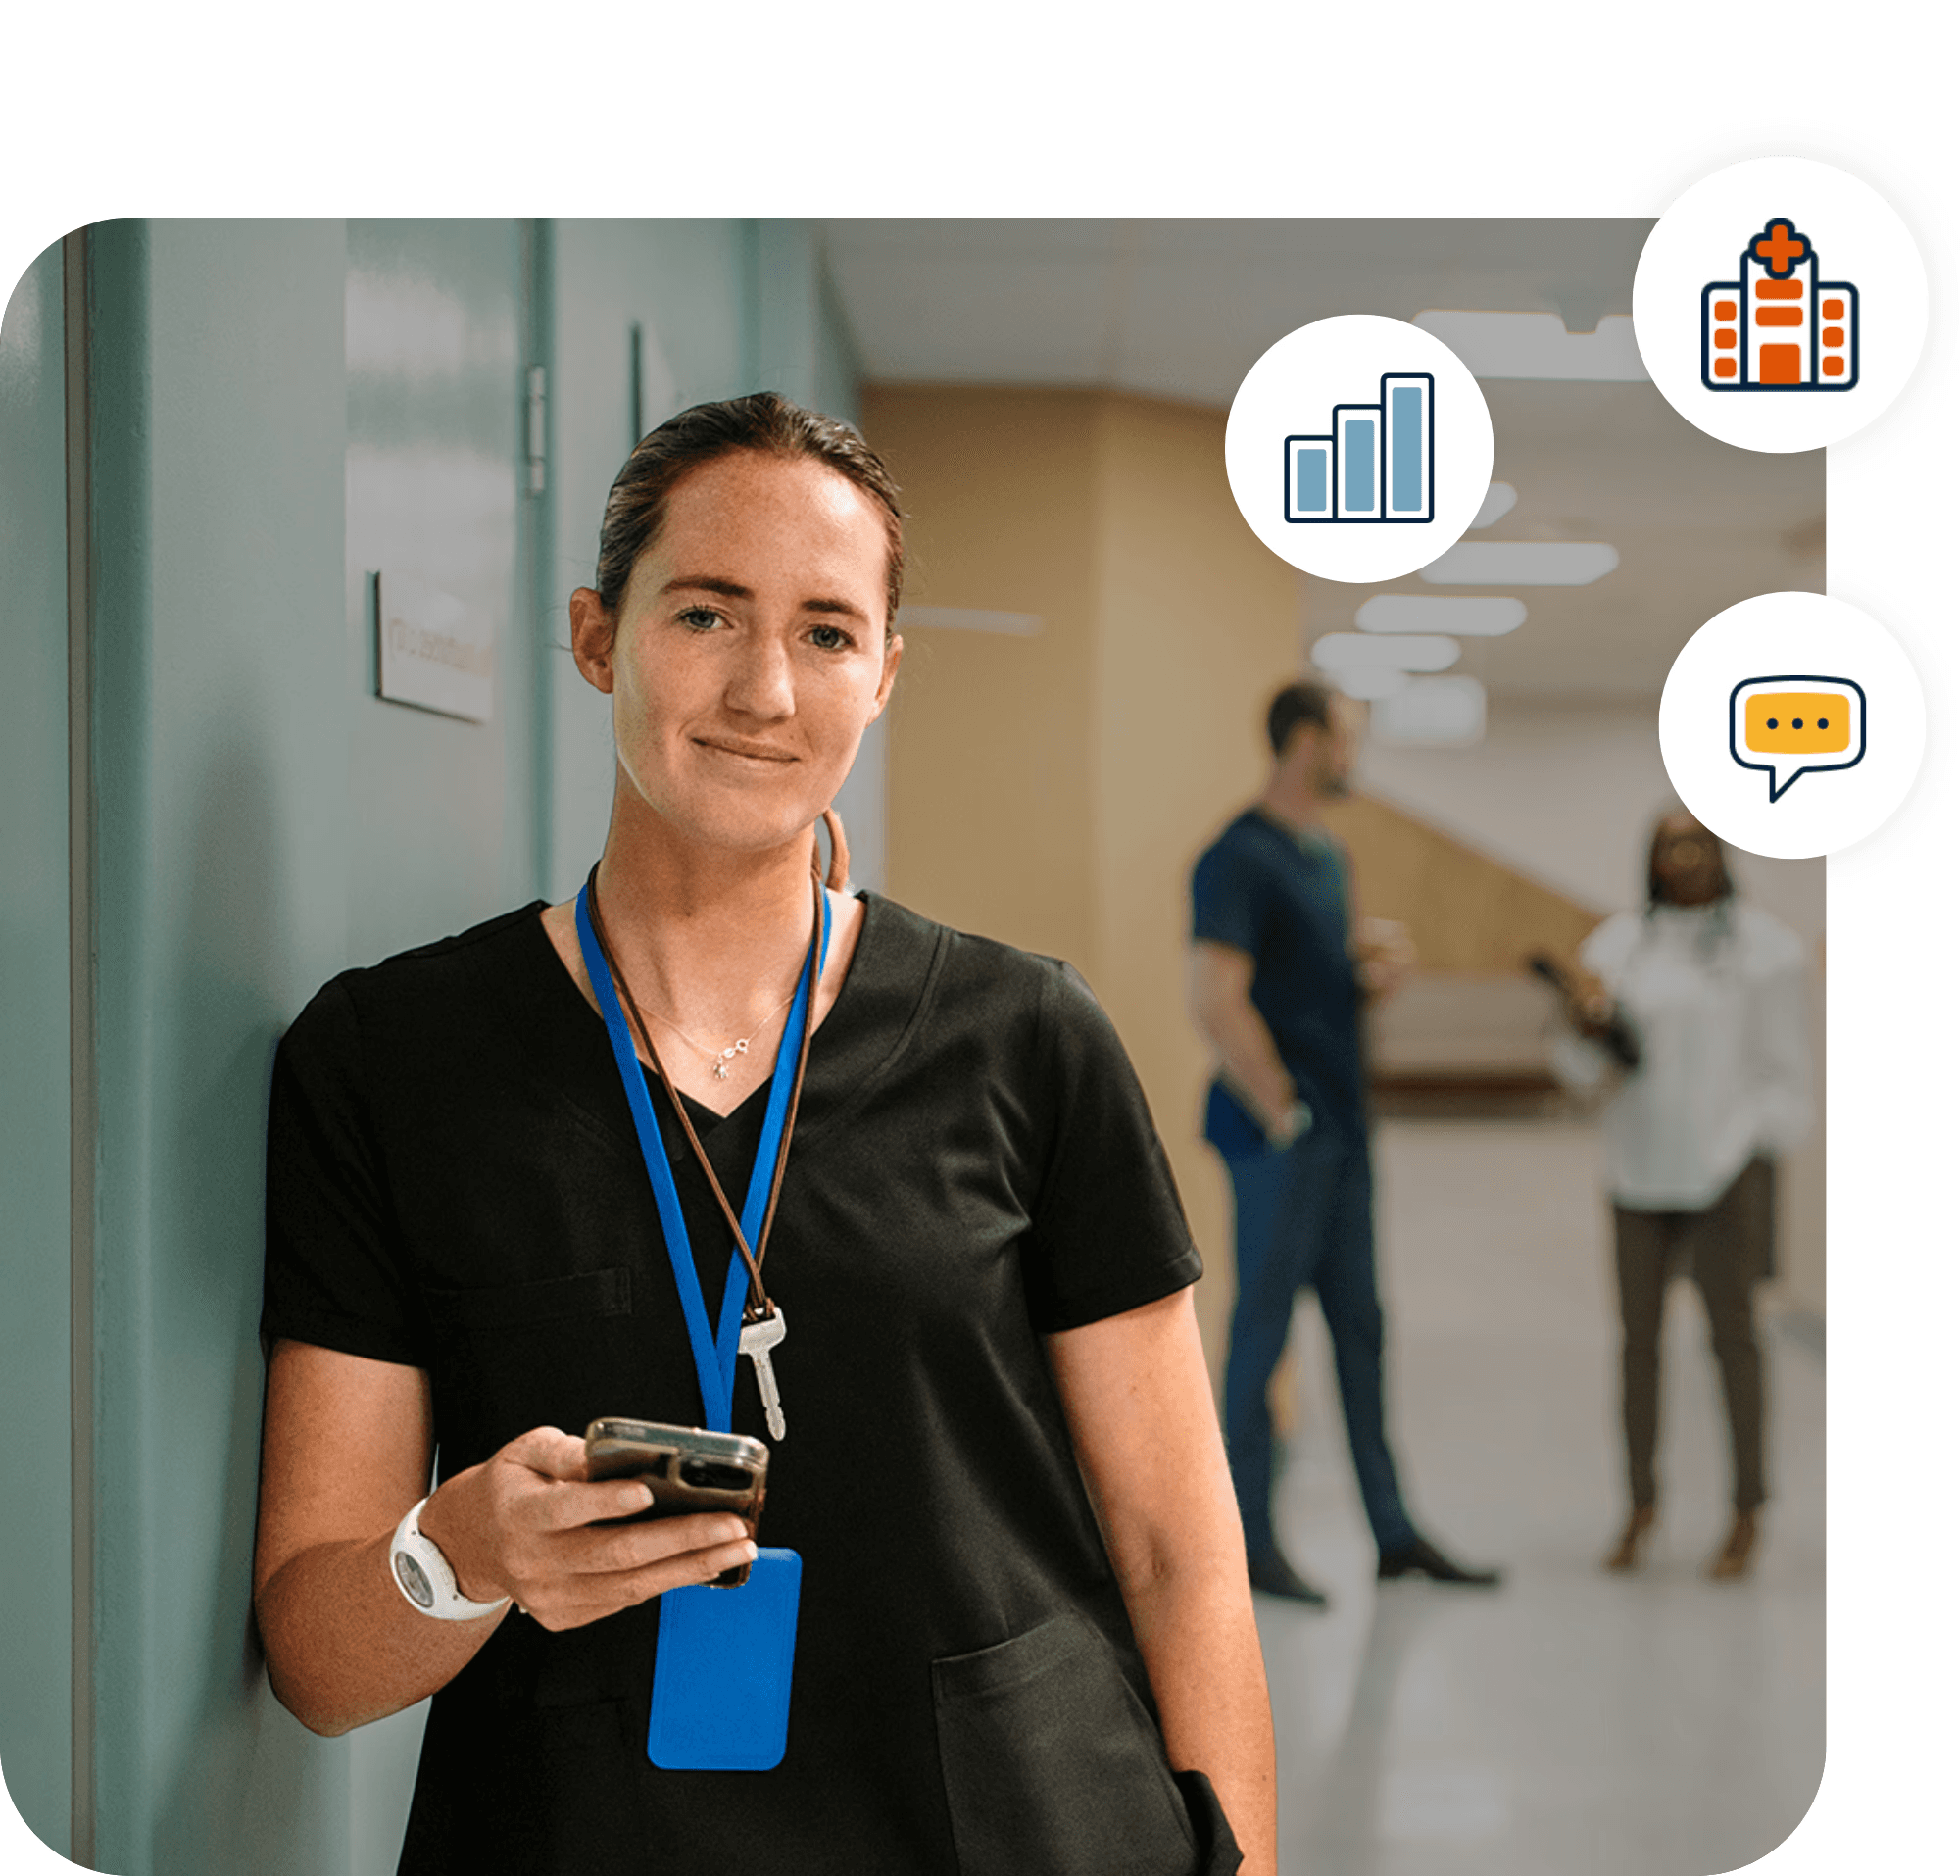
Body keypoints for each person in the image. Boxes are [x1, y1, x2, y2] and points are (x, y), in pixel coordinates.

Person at [253, 393, 1273, 1875]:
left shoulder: (1029, 1041)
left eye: (828, 633)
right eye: (708, 615)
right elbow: (318, 1654)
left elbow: (1183, 1556)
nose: (767, 690)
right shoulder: (395, 1062)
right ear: (599, 636)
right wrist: (460, 1554)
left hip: (1019, 1828)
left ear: (885, 675)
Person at [1187, 679, 1501, 1607]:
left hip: (1344, 1133)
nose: (1355, 755)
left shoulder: (1326, 854)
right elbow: (1216, 996)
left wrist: (1361, 973)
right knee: (1263, 1333)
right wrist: (1283, 1109)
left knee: (1363, 1329)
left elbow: (1300, 982)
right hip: (1282, 1136)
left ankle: (1393, 1533)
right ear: (1305, 741)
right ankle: (1245, 1541)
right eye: (1348, 737)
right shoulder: (1236, 857)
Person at [1551, 809, 1813, 1580]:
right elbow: (1576, 1069)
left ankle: (1746, 1510)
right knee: (1638, 1346)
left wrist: (1744, 1148)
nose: (1684, 858)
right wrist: (1586, 1030)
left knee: (1734, 1340)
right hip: (1638, 1171)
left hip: (1729, 1172)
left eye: (1699, 843)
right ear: (1653, 859)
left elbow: (1786, 1075)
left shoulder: (1768, 953)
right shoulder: (1617, 948)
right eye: (1670, 846)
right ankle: (1640, 1506)